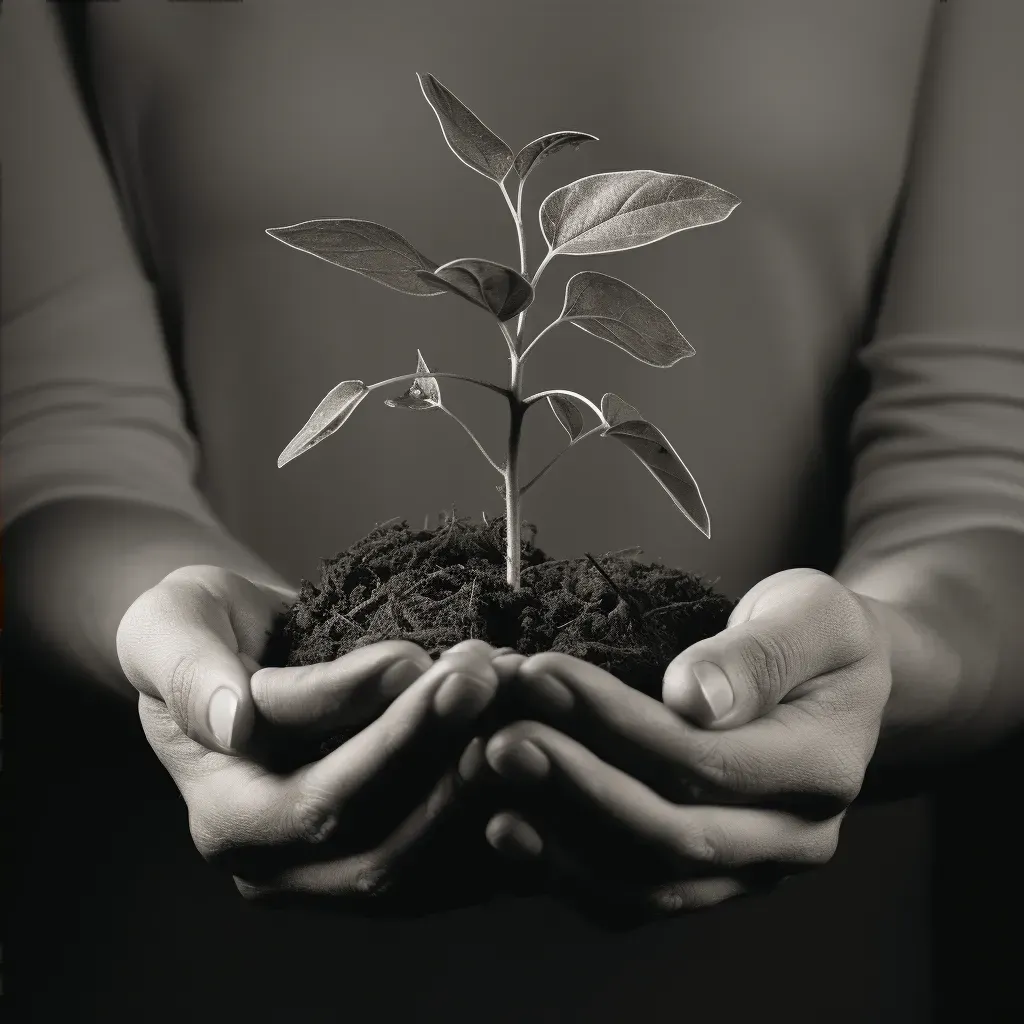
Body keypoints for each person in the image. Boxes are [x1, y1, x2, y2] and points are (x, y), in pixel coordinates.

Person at [3, 0, 1022, 1020]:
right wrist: (189, 660)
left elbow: (983, 462)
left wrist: (873, 658)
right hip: (177, 956)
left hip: (792, 969)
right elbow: (50, 438)